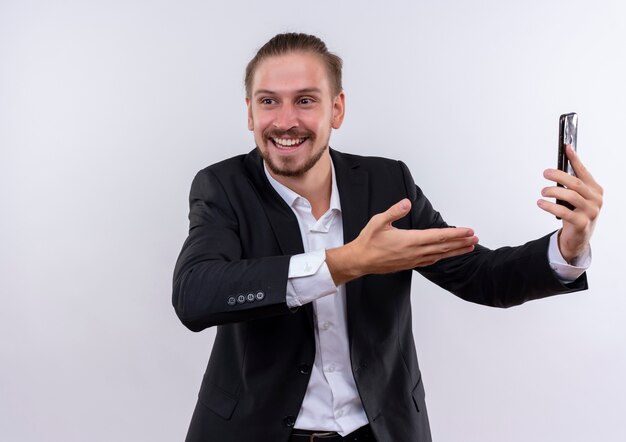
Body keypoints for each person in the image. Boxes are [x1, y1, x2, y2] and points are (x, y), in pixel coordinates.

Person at [172, 33, 602, 442]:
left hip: (380, 431)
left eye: (306, 101)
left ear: (336, 109)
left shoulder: (387, 182)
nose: (286, 121)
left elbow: (482, 276)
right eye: (269, 102)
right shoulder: (223, 186)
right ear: (250, 112)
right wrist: (349, 262)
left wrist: (570, 244)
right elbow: (197, 294)